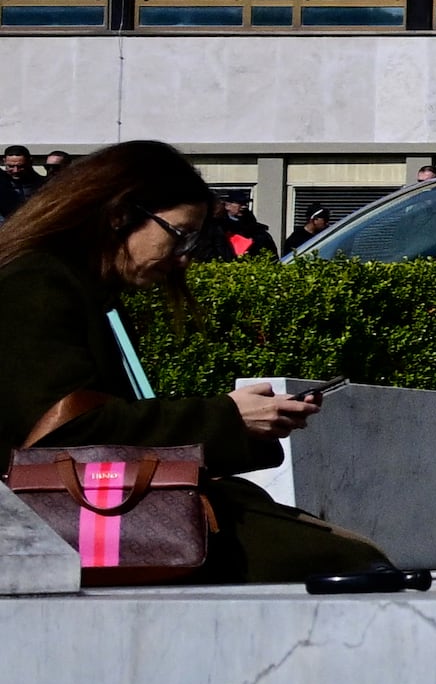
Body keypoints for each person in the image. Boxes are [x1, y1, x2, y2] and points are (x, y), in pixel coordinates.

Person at [0, 139, 386, 581]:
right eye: (179, 233)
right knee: (347, 563)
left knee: (348, 556)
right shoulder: (36, 283)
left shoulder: (74, 285)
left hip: (87, 512)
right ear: (120, 214)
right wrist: (228, 416)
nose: (184, 256)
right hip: (62, 524)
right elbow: (66, 434)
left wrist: (234, 419)